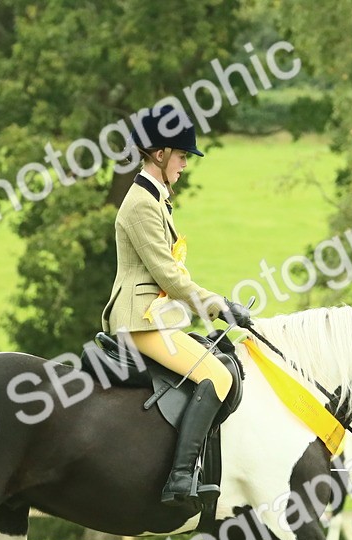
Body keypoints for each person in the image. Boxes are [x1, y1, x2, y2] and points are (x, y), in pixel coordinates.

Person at [101, 104, 250, 512]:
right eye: (182, 156)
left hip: (154, 318)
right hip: (140, 321)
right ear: (160, 153)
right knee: (216, 376)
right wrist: (220, 306)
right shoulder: (141, 205)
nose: (185, 165)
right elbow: (168, 276)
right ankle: (181, 476)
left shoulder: (156, 199)